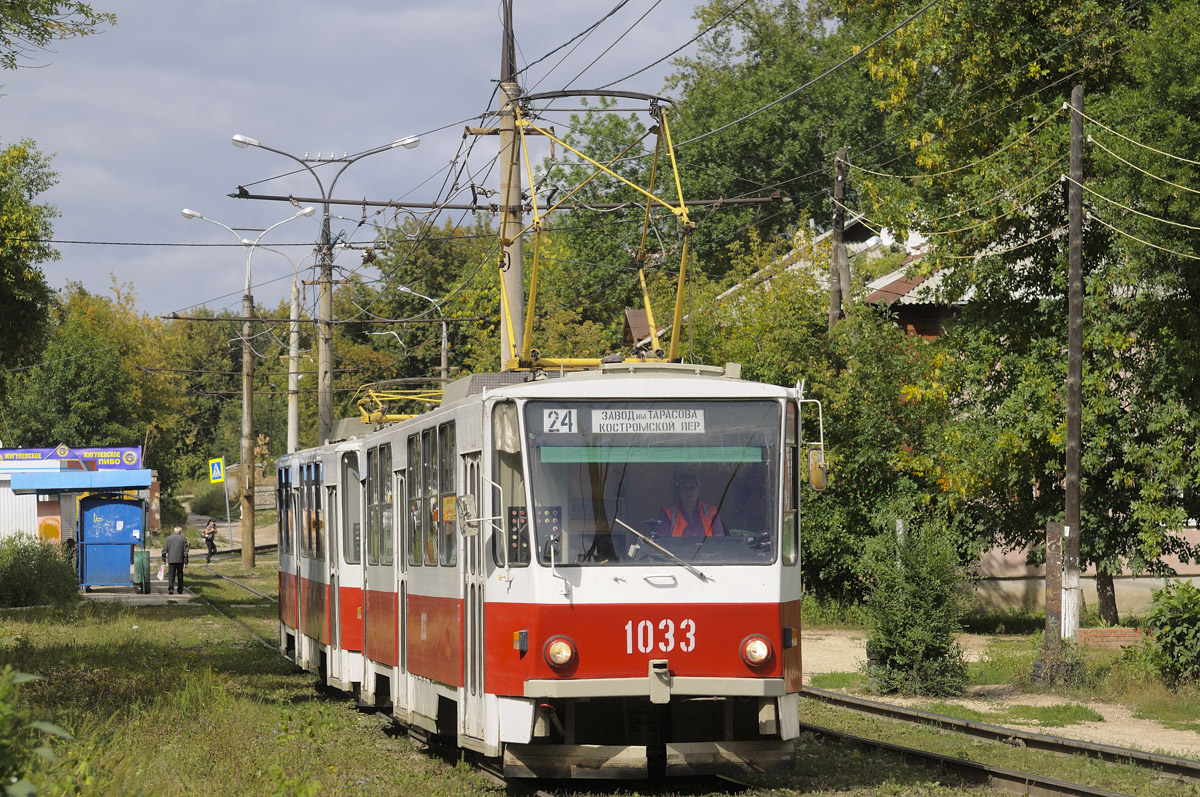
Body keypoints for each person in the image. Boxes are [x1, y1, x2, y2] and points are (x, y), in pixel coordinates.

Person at [658, 473, 727, 537]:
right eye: (684, 487)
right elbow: (661, 541)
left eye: (692, 487)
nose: (688, 491)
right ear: (679, 492)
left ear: (698, 491)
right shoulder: (668, 513)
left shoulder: (711, 512)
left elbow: (718, 542)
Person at [161, 526, 189, 595]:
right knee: (180, 574)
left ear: (174, 531)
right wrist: (186, 562)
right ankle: (180, 589)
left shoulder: (169, 538)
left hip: (171, 559)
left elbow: (164, 550)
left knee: (171, 574)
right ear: (180, 532)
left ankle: (171, 587)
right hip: (180, 560)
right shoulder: (183, 539)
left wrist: (164, 559)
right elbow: (186, 551)